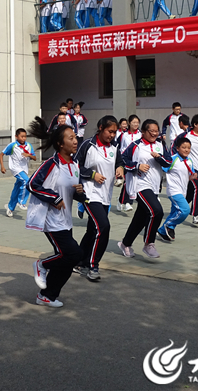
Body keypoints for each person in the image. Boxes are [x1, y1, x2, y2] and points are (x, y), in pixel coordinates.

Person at [26, 117, 85, 308]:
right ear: (60, 144)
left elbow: (71, 193)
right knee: (74, 254)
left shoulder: (74, 165)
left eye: (75, 137)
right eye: (70, 138)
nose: (75, 141)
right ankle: (42, 265)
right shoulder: (51, 164)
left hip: (66, 220)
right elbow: (32, 184)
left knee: (67, 260)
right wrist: (54, 198)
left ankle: (47, 296)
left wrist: (80, 195)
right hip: (51, 220)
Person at [73, 115, 124, 281]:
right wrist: (92, 174)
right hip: (89, 193)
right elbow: (73, 166)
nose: (112, 135)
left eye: (115, 132)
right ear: (101, 128)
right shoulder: (88, 145)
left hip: (105, 195)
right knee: (103, 227)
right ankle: (93, 265)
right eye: (110, 131)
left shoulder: (115, 146)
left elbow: (120, 161)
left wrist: (120, 169)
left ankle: (79, 261)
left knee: (92, 230)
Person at [118, 119, 172, 259]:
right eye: (151, 131)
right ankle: (149, 244)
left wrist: (159, 158)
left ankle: (125, 244)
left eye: (156, 131)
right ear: (143, 132)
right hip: (140, 185)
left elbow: (168, 162)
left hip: (154, 186)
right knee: (156, 211)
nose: (154, 134)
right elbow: (122, 161)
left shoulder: (160, 144)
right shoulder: (136, 145)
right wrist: (137, 166)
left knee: (140, 218)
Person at [156, 136, 196, 243]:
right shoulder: (173, 159)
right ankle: (169, 225)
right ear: (177, 148)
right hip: (174, 191)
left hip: (183, 191)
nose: (186, 150)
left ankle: (162, 231)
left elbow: (189, 175)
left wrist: (193, 177)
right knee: (185, 210)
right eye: (184, 147)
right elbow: (162, 167)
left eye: (188, 148)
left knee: (175, 212)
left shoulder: (189, 161)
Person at [177, 114, 198, 224]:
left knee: (191, 192)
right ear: (195, 124)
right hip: (190, 168)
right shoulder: (186, 136)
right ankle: (196, 215)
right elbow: (174, 147)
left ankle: (178, 209)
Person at [0, 128, 36, 218]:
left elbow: (34, 158)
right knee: (27, 182)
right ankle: (22, 202)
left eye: (25, 136)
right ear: (16, 136)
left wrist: (29, 155)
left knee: (17, 188)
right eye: (22, 136)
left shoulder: (29, 145)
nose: (24, 138)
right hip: (15, 168)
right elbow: (1, 154)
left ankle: (10, 207)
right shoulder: (12, 146)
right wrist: (2, 166)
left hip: (24, 169)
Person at [116, 114, 141, 212]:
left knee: (131, 182)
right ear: (129, 123)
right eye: (134, 122)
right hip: (125, 160)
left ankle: (125, 202)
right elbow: (117, 146)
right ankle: (125, 201)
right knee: (127, 182)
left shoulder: (140, 134)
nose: (136, 124)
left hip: (135, 161)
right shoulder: (123, 135)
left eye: (137, 122)